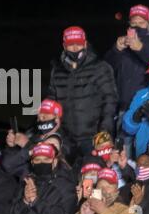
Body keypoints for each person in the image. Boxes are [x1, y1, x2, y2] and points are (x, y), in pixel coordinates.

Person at [48, 26, 118, 169]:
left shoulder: (100, 68)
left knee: (92, 181)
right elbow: (51, 102)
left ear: (85, 44)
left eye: (78, 44)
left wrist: (104, 133)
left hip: (92, 138)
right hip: (66, 139)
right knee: (66, 181)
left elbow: (110, 101)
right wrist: (50, 129)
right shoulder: (57, 71)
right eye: (71, 44)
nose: (75, 48)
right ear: (64, 46)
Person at [105, 4, 149, 154]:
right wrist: (116, 49)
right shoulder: (124, 42)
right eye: (134, 23)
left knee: (148, 153)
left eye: (142, 22)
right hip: (125, 108)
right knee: (123, 154)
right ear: (129, 25)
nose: (137, 26)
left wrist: (140, 48)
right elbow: (106, 68)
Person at [9, 143, 77, 214]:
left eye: (46, 159)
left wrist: (36, 202)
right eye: (37, 160)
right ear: (32, 162)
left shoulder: (65, 186)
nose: (42, 163)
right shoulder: (26, 183)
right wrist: (25, 201)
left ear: (55, 161)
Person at [0, 99, 68, 179]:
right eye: (39, 116)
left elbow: (54, 169)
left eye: (45, 115)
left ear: (57, 118)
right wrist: (12, 147)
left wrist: (27, 144)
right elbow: (7, 165)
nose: (41, 119)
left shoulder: (65, 141)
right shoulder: (35, 138)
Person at [64, 168, 137, 214]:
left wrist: (103, 211)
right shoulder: (87, 208)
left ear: (117, 191)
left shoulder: (126, 211)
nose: (104, 190)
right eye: (100, 186)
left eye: (109, 186)